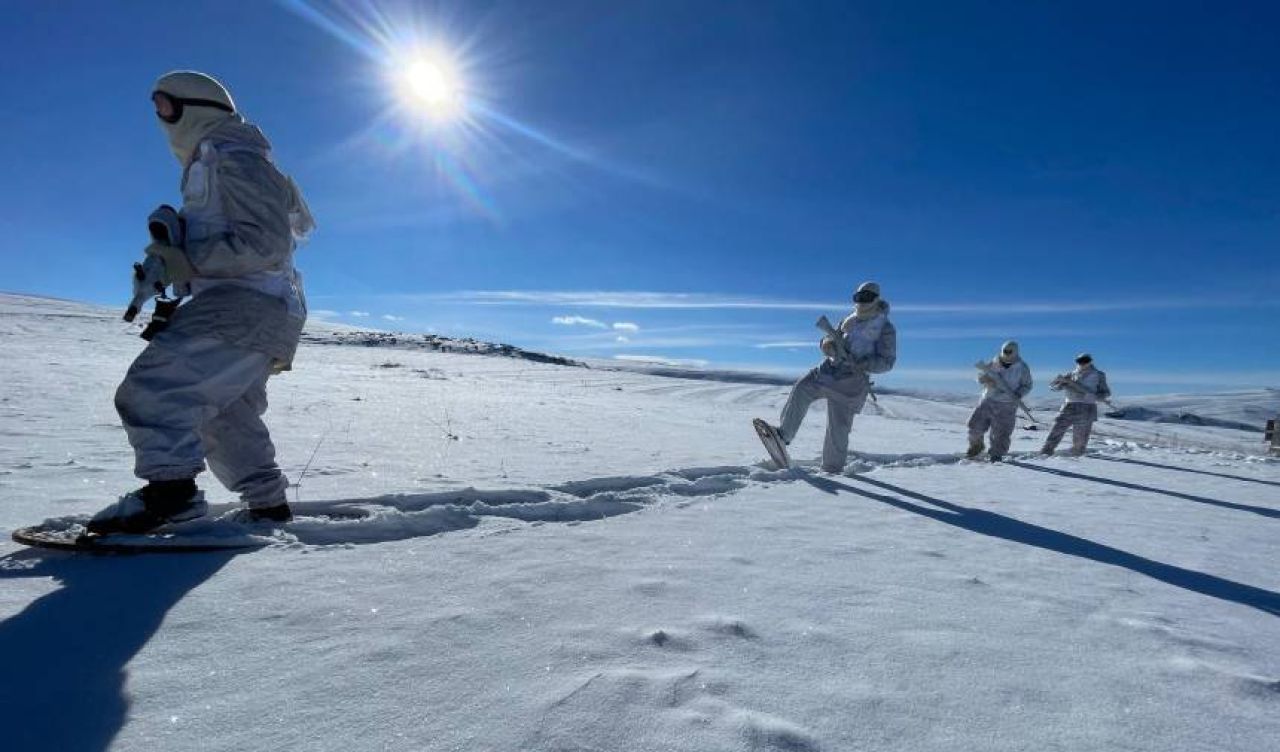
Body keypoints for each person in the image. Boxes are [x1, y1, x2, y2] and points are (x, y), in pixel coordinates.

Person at [89, 70, 314, 534]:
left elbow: (265, 244)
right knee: (225, 413)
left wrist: (186, 260)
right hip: (262, 308)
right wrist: (169, 265)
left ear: (197, 106)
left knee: (155, 390)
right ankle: (268, 506)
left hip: (246, 304)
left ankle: (171, 495)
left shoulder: (236, 158)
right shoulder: (217, 161)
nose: (161, 119)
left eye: (166, 106)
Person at [758, 281, 897, 473]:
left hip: (852, 383)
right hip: (828, 372)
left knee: (838, 429)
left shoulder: (885, 328)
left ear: (876, 300)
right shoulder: (848, 320)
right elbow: (830, 338)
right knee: (802, 389)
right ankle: (783, 436)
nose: (861, 302)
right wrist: (826, 344)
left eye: (866, 298)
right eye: (858, 298)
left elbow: (887, 362)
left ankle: (832, 472)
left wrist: (863, 363)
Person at [966, 340, 1033, 462]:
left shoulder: (1022, 367)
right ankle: (976, 447)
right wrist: (984, 380)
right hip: (988, 399)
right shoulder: (994, 362)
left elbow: (1027, 385)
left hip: (1007, 404)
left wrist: (1018, 394)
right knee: (975, 426)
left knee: (1001, 433)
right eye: (1005, 351)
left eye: (1009, 351)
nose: (1007, 354)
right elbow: (980, 375)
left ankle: (996, 456)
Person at [1041, 353, 1110, 457]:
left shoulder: (1099, 375)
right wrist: (1058, 382)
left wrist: (1095, 396)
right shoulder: (1070, 374)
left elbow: (1106, 392)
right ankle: (1046, 451)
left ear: (1090, 361)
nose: (1082, 363)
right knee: (1057, 429)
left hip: (1087, 408)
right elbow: (1055, 388)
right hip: (1069, 405)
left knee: (1081, 436)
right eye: (1079, 361)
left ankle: (1076, 457)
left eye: (1085, 360)